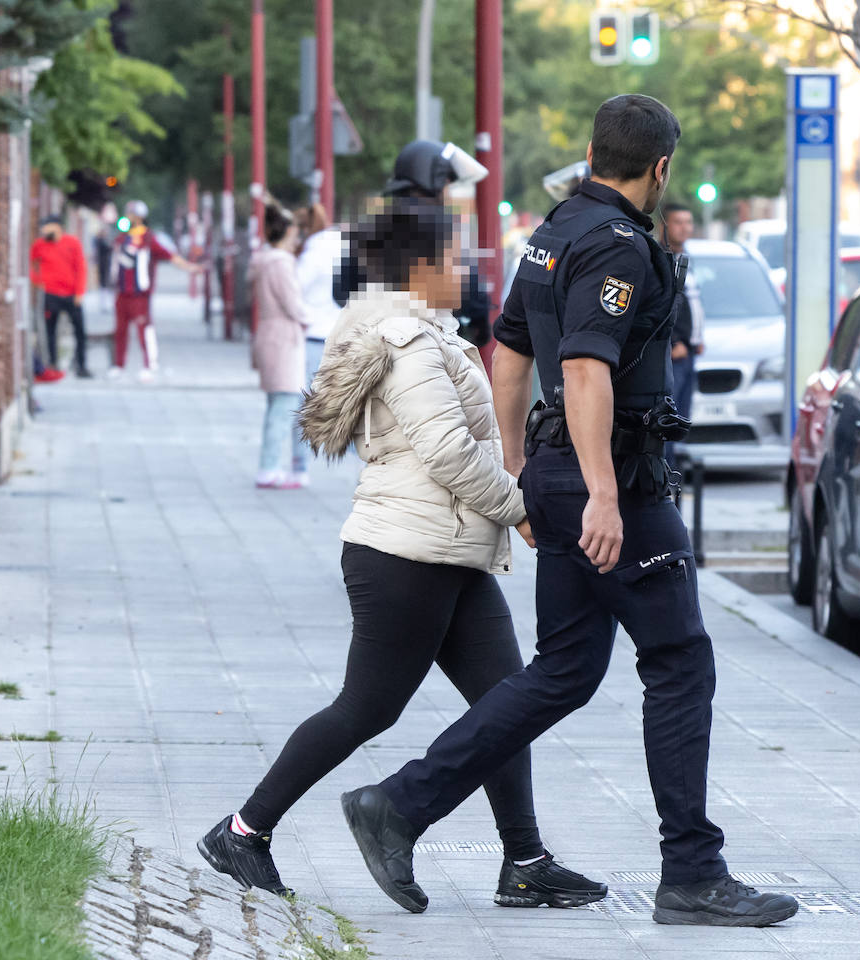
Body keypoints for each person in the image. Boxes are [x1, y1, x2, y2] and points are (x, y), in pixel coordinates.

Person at [339, 95, 800, 927]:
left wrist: (521, 469)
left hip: (557, 473)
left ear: (592, 152)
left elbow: (507, 353)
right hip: (610, 482)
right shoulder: (618, 246)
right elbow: (585, 368)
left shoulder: (550, 233)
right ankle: (692, 872)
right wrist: (602, 494)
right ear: (661, 168)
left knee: (564, 672)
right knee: (680, 663)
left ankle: (399, 806)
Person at [197, 199, 606, 910]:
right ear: (421, 268)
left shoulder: (425, 333)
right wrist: (521, 511)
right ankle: (243, 830)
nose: (467, 269)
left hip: (444, 549)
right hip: (406, 554)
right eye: (456, 258)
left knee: (503, 702)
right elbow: (448, 453)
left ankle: (525, 859)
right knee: (367, 707)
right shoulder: (407, 341)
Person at [336, 140, 493, 348]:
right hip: (426, 343)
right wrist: (481, 325)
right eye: (447, 184)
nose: (448, 192)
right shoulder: (442, 227)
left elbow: (340, 291)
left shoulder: (370, 226)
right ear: (433, 180)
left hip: (370, 348)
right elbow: (470, 292)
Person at [248, 202, 310, 489]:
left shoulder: (263, 260)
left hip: (269, 332)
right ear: (286, 232)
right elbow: (292, 302)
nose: (297, 237)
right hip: (284, 336)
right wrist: (309, 318)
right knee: (284, 405)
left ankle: (270, 465)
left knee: (277, 404)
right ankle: (269, 467)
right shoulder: (282, 263)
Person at [109, 199, 203, 382]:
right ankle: (119, 365)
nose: (128, 217)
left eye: (131, 214)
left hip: (140, 293)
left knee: (144, 329)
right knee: (120, 330)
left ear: (140, 217)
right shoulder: (122, 238)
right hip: (122, 292)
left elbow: (171, 256)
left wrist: (190, 268)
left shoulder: (149, 239)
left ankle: (149, 364)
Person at [659, 203, 704, 468]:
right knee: (669, 420)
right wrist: (674, 342)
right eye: (679, 222)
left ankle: (674, 476)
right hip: (675, 354)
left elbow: (692, 304)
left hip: (689, 352)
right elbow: (663, 306)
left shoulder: (686, 258)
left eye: (689, 222)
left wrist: (697, 339)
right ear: (665, 226)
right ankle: (666, 477)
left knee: (681, 420)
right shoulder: (663, 259)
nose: (685, 228)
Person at [30, 214, 91, 379]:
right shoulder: (39, 245)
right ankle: (53, 365)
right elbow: (30, 264)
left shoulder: (72, 243)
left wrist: (80, 292)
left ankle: (82, 366)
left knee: (80, 331)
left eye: (46, 226)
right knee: (50, 331)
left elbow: (81, 268)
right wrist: (37, 280)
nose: (43, 230)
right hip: (50, 295)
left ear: (56, 227)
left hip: (71, 295)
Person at [294, 202, 343, 395]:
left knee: (305, 400)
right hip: (339, 331)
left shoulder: (314, 255)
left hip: (314, 332)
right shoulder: (341, 247)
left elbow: (294, 288)